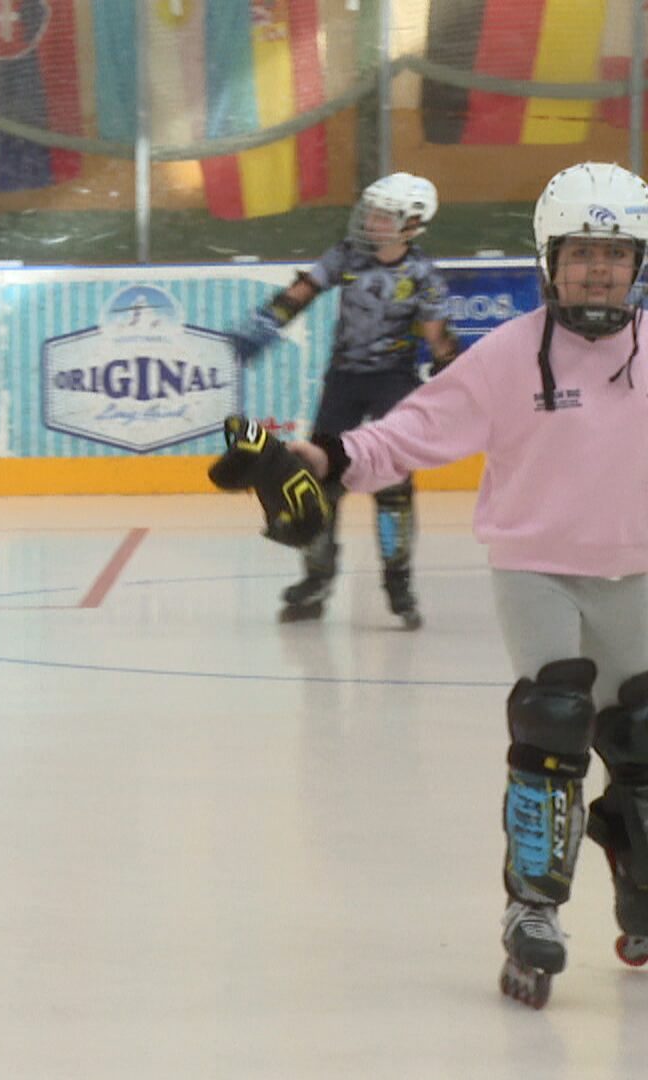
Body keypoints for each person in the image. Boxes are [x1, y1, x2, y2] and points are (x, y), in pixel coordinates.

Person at [212, 161, 648, 1009]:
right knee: (555, 717)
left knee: (642, 740)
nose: (598, 270)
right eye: (581, 254)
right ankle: (534, 908)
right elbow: (410, 432)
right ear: (549, 261)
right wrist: (324, 457)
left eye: (617, 254)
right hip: (538, 567)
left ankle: (640, 894)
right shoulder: (510, 355)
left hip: (636, 571)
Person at [228, 172, 460, 627]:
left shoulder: (423, 276)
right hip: (345, 382)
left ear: (412, 224)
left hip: (393, 384)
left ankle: (399, 583)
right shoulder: (347, 255)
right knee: (317, 479)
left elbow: (439, 341)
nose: (370, 220)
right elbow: (304, 290)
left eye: (383, 215)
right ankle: (317, 579)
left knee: (393, 486)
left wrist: (458, 379)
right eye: (369, 211)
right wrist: (265, 323)